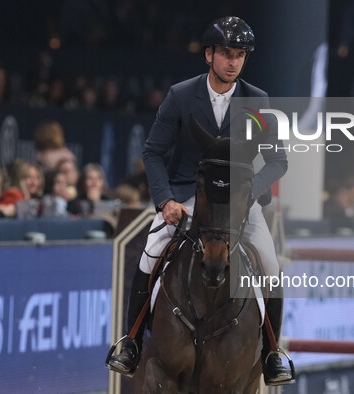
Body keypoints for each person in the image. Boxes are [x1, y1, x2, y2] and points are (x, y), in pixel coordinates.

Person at [106, 16, 293, 385]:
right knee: (151, 251)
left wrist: (250, 190)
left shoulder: (258, 100)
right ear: (209, 55)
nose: (233, 62)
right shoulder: (180, 95)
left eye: (239, 55)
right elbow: (153, 152)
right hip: (188, 194)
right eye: (226, 53)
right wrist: (164, 202)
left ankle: (272, 354)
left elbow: (277, 160)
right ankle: (130, 344)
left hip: (239, 198)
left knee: (270, 266)